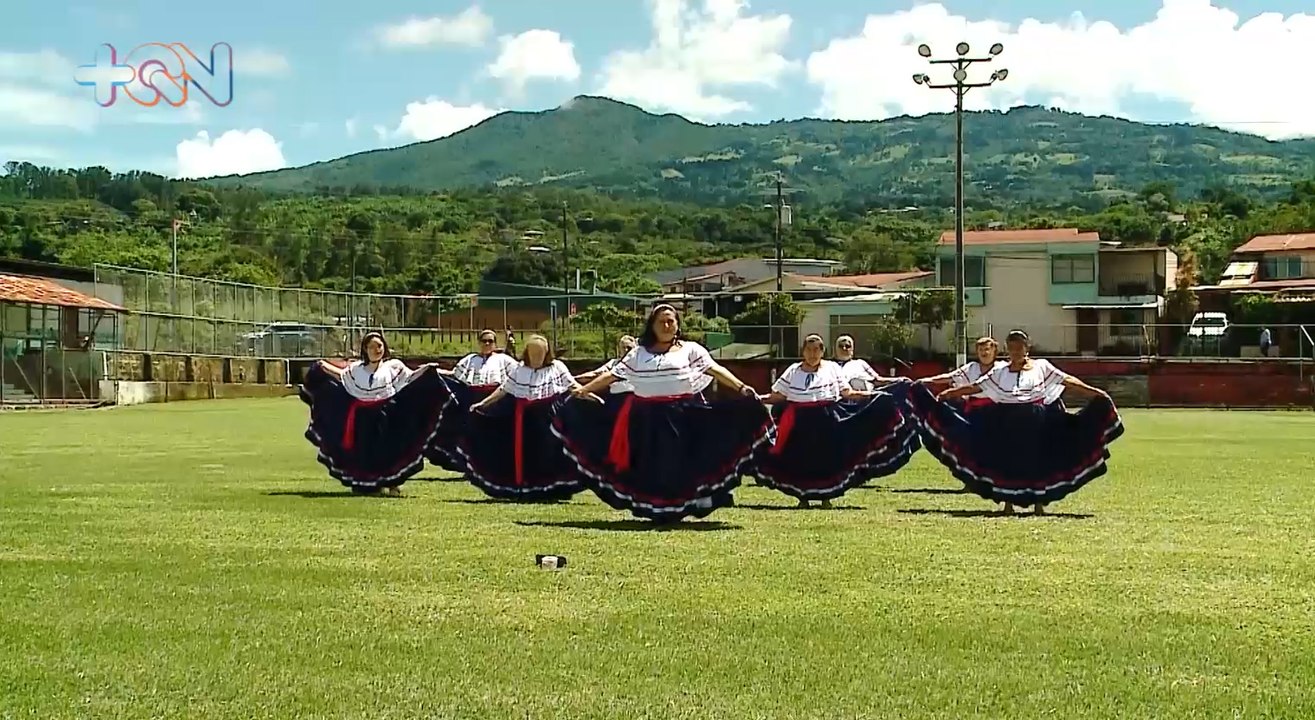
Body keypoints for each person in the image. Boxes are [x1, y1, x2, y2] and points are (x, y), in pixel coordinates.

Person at [552, 304, 771, 523]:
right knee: (651, 467)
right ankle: (656, 509)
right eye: (661, 322)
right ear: (652, 326)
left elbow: (715, 369)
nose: (666, 325)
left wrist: (742, 388)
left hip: (684, 416)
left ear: (677, 325)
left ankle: (686, 505)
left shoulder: (691, 349)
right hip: (646, 419)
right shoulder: (638, 353)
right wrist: (583, 390)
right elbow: (611, 376)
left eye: (671, 321)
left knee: (684, 465)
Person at [909, 329, 1124, 514]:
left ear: (1027, 347)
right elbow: (977, 387)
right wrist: (950, 393)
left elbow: (1067, 380)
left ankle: (1039, 504)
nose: (1016, 351)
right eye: (1012, 347)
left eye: (1020, 346)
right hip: (1006, 421)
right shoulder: (1000, 371)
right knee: (1006, 462)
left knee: (1039, 462)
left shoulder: (1042, 366)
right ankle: (1008, 504)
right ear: (1007, 349)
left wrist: (1094, 392)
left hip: (1037, 423)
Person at [752, 334, 920, 508]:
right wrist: (755, 399)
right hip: (799, 421)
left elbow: (847, 392)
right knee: (800, 459)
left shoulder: (831, 368)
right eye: (809, 350)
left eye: (816, 349)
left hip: (827, 418)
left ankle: (826, 497)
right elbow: (777, 396)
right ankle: (803, 498)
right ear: (802, 351)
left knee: (828, 459)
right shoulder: (793, 371)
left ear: (822, 351)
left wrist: (872, 395)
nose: (812, 354)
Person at [300, 331, 453, 496]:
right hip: (363, 418)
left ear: (384, 348)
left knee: (391, 451)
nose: (376, 349)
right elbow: (341, 376)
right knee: (366, 454)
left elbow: (409, 378)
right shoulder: (356, 369)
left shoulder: (394, 366)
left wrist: (427, 369)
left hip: (387, 415)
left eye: (379, 346)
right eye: (371, 347)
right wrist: (324, 367)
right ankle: (370, 485)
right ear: (365, 349)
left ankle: (393, 483)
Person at [459, 335, 594, 501]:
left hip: (549, 418)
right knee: (526, 455)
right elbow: (504, 389)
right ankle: (527, 488)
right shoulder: (520, 369)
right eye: (533, 353)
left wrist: (591, 395)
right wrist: (483, 403)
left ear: (547, 353)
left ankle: (552, 489)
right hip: (524, 420)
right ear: (527, 353)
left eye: (541, 353)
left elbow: (573, 387)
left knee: (551, 453)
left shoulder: (557, 367)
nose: (537, 356)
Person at [424, 329, 519, 473]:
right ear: (478, 343)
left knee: (495, 434)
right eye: (484, 341)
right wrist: (432, 371)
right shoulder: (470, 359)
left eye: (490, 341)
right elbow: (454, 375)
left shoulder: (504, 360)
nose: (487, 343)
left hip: (495, 400)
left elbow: (518, 375)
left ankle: (495, 467)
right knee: (472, 435)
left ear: (495, 343)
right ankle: (473, 467)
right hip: (471, 398)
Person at [917, 337, 1004, 412]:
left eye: (987, 349)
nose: (984, 353)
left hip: (997, 410)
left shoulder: (1002, 368)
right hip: (974, 411)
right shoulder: (971, 368)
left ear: (994, 351)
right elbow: (950, 377)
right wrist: (927, 380)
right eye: (981, 350)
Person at [833, 334, 901, 391]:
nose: (844, 348)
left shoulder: (860, 363)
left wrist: (899, 380)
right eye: (841, 346)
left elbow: (877, 380)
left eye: (847, 346)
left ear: (852, 348)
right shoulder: (830, 365)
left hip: (866, 399)